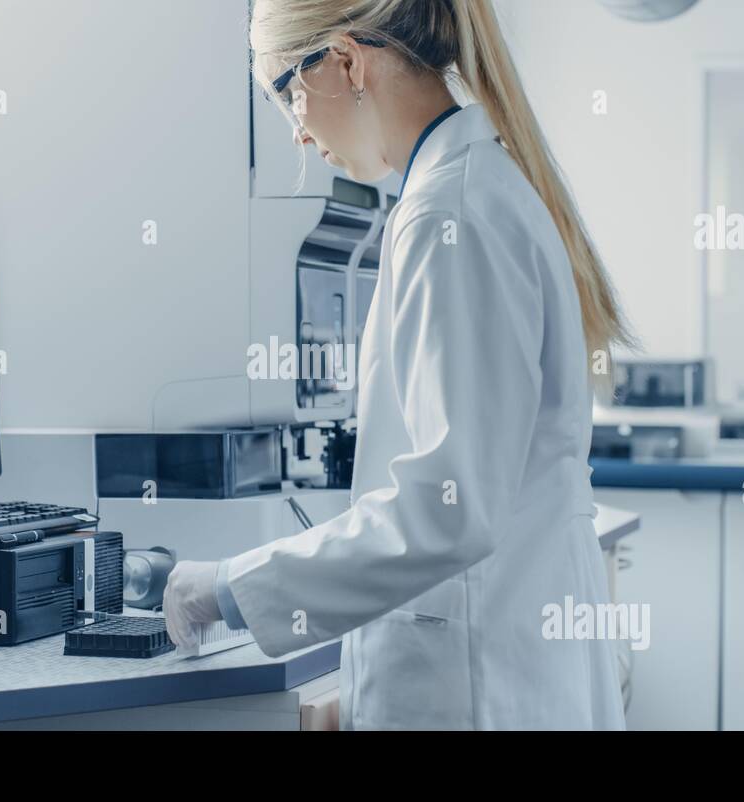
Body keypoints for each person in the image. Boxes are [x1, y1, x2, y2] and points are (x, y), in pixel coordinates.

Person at [163, 0, 634, 730]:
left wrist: (226, 587)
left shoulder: (451, 213)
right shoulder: (469, 188)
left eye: (287, 92)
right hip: (504, 677)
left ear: (347, 61)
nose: (296, 128)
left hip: (488, 694)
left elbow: (446, 510)